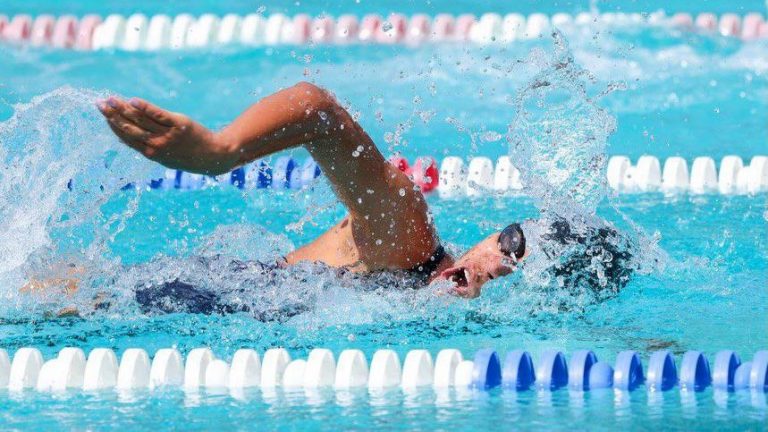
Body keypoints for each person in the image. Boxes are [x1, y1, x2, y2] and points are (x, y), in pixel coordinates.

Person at [96, 81, 528, 300]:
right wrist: (219, 152)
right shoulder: (409, 240)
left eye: (517, 270)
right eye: (513, 244)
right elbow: (316, 109)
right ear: (492, 236)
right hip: (192, 294)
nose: (502, 265)